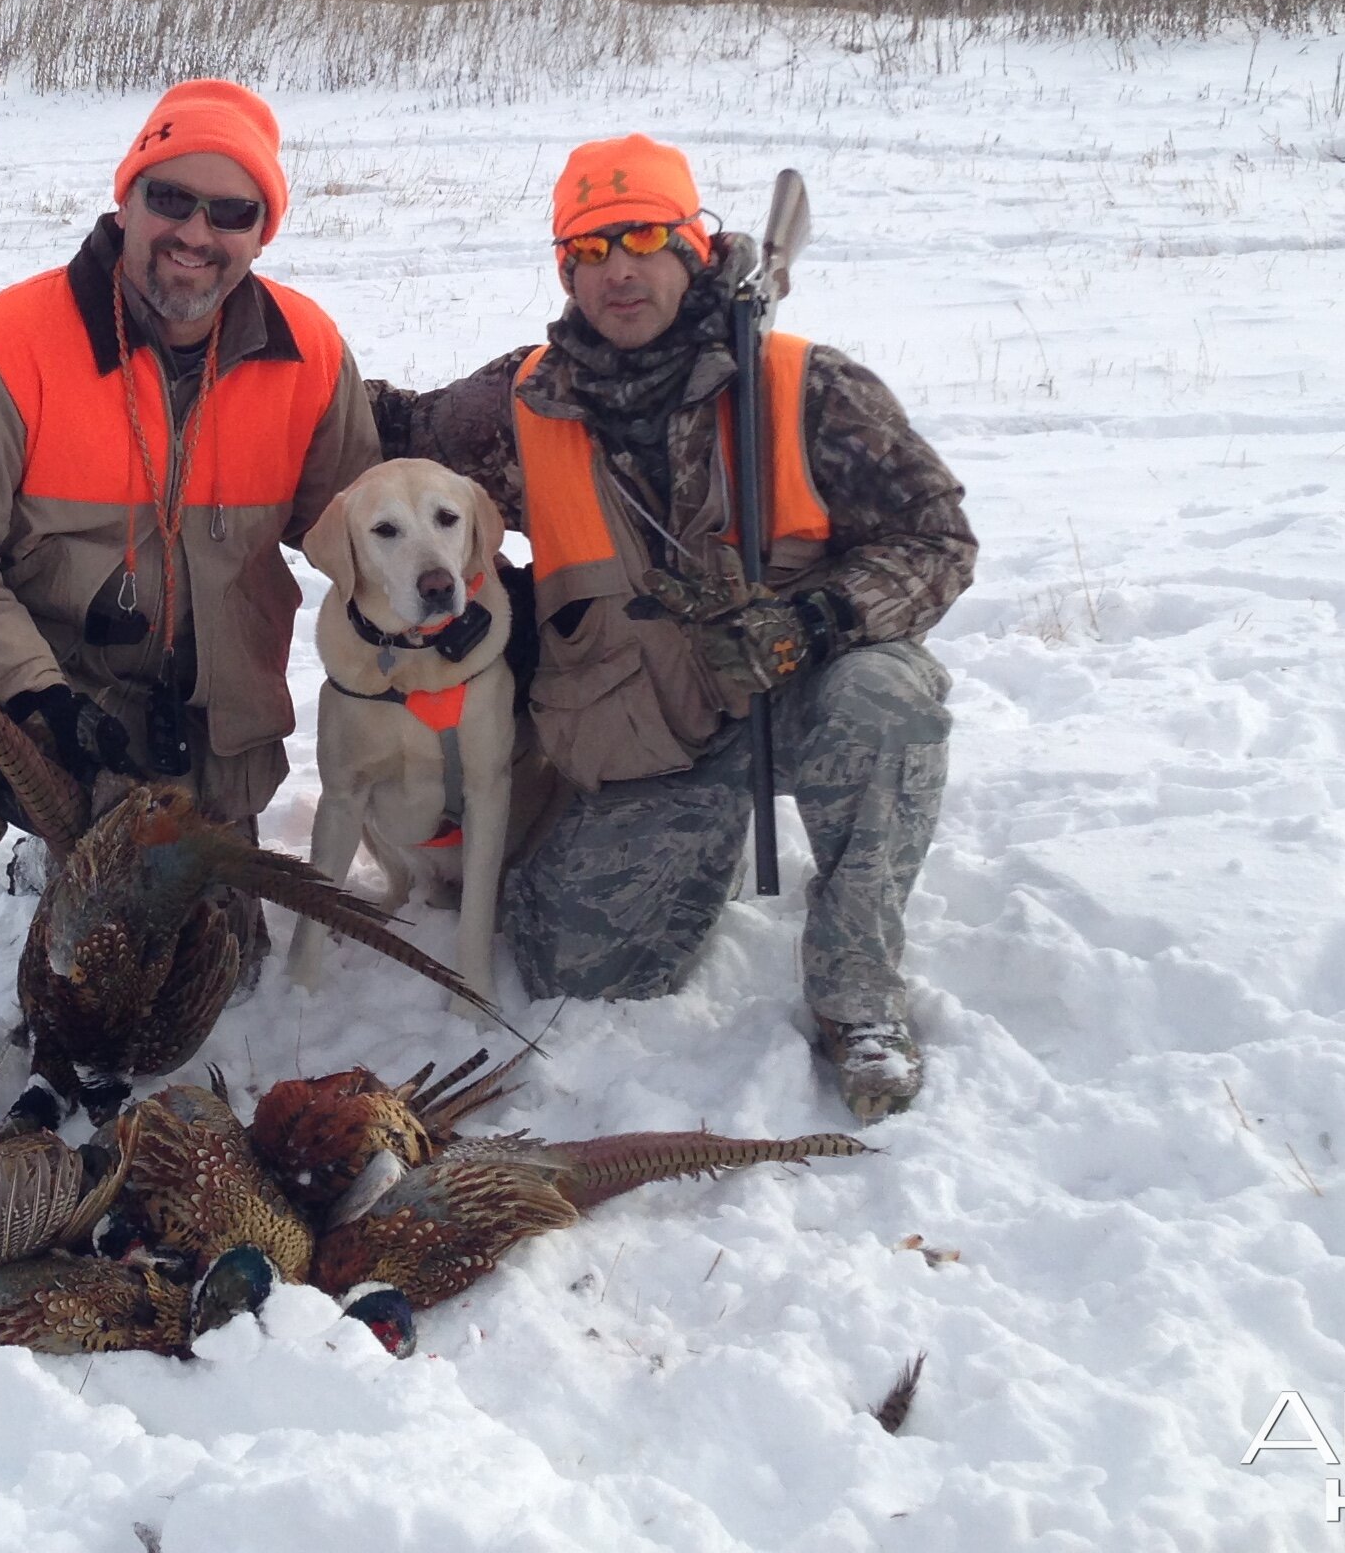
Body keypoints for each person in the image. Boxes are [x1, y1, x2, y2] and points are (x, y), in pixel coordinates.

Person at [0, 79, 381, 1130]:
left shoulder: (310, 353)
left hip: (193, 733)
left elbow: (365, 519)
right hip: (30, 705)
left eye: (232, 213)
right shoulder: (8, 347)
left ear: (262, 231)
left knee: (206, 984)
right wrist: (40, 696)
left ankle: (59, 870)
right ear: (127, 202)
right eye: (172, 199)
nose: (196, 234)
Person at [369, 133, 974, 1118]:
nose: (619, 271)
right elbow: (386, 431)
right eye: (590, 251)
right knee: (573, 967)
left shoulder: (806, 386)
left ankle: (858, 985)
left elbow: (936, 536)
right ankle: (697, 842)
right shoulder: (525, 403)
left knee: (887, 698)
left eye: (643, 238)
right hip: (652, 742)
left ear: (693, 243)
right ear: (565, 269)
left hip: (799, 700)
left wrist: (824, 616)